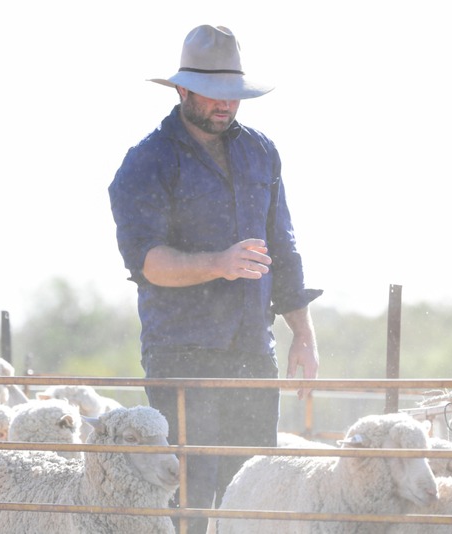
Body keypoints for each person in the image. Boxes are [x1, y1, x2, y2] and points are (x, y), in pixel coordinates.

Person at [108, 25, 322, 534]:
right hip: (182, 351)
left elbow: (283, 250)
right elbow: (147, 262)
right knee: (189, 485)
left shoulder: (261, 152)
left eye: (234, 94)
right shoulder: (146, 162)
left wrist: (304, 334)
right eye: (214, 94)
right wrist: (218, 263)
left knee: (252, 483)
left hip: (252, 348)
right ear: (182, 89)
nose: (226, 105)